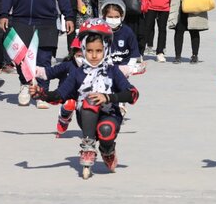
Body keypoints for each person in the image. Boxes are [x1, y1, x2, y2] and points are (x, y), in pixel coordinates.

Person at [30, 18, 139, 179]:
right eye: (89, 51)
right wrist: (41, 93)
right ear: (82, 49)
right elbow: (60, 95)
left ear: (106, 50)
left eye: (98, 51)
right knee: (89, 99)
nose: (94, 55)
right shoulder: (77, 73)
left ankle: (107, 150)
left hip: (111, 115)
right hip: (87, 116)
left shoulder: (113, 71)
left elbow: (132, 94)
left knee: (106, 130)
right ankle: (88, 146)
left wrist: (108, 97)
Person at [35, 37, 82, 137]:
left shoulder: (95, 68)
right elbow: (49, 72)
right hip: (66, 96)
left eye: (85, 51)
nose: (81, 55)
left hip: (85, 99)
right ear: (73, 52)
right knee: (70, 104)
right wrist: (34, 70)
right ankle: (63, 119)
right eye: (78, 52)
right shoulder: (66, 65)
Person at [99, 0, 142, 76]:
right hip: (106, 66)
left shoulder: (128, 32)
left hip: (125, 65)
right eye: (110, 17)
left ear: (122, 16)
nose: (113, 19)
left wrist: (130, 66)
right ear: (104, 16)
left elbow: (134, 52)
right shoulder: (100, 32)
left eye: (116, 17)